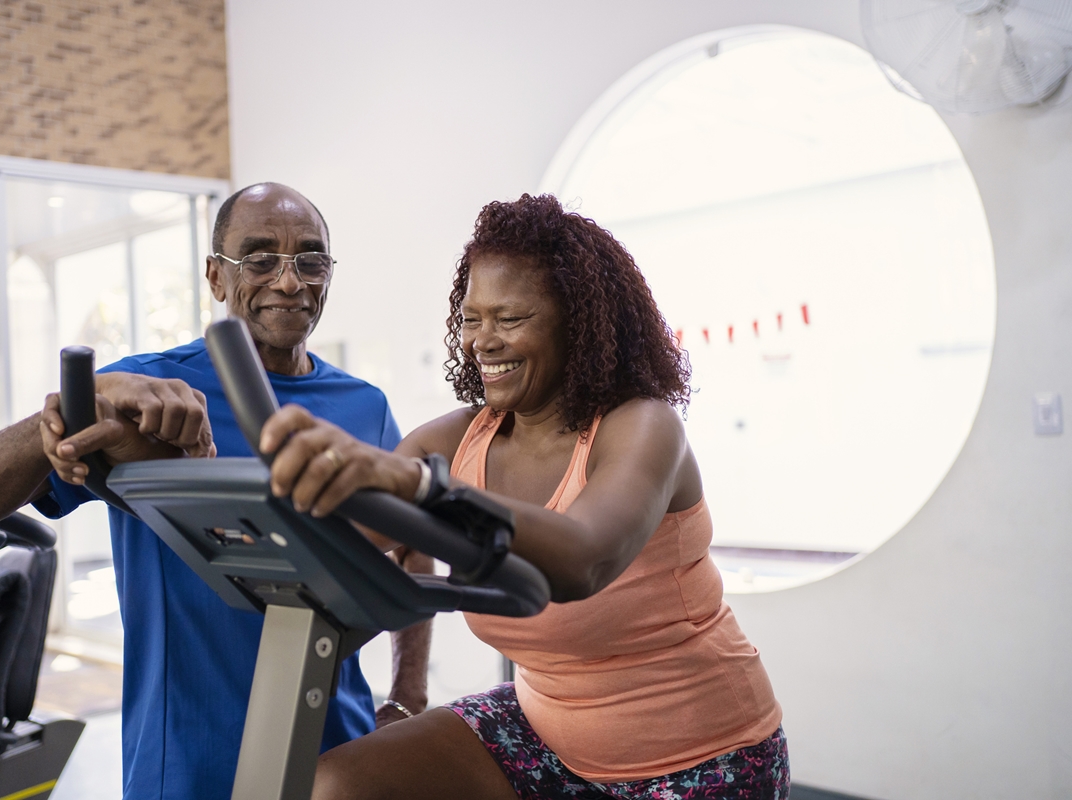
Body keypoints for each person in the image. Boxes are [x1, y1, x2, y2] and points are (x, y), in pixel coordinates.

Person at [254, 193, 789, 799]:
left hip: (701, 755)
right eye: (472, 318)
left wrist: (424, 488)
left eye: (509, 319)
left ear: (579, 325)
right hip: (548, 733)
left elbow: (585, 557)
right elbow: (333, 544)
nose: (483, 341)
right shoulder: (458, 440)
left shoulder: (642, 426)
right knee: (336, 786)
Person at [0, 183, 432, 800]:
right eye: (261, 258)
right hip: (185, 766)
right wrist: (78, 402)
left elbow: (411, 545)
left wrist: (407, 698)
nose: (290, 282)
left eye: (311, 259)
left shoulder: (364, 406)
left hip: (338, 755)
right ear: (216, 278)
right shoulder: (147, 390)